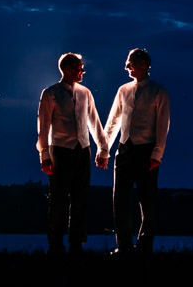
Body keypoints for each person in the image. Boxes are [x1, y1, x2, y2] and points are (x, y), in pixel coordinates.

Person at [36, 52, 108, 254]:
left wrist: (103, 148)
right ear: (67, 69)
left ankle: (77, 244)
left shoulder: (85, 93)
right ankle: (55, 245)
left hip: (82, 151)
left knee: (80, 199)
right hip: (60, 150)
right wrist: (44, 155)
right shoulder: (50, 93)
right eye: (79, 68)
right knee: (58, 200)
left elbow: (94, 121)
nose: (82, 71)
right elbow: (43, 126)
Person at [102, 47, 171, 254]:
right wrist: (104, 149)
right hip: (124, 150)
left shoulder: (159, 91)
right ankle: (123, 246)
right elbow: (113, 121)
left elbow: (162, 124)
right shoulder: (123, 90)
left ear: (143, 64)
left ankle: (144, 246)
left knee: (147, 200)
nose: (126, 66)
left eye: (130, 62)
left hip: (147, 151)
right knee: (120, 198)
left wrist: (157, 154)